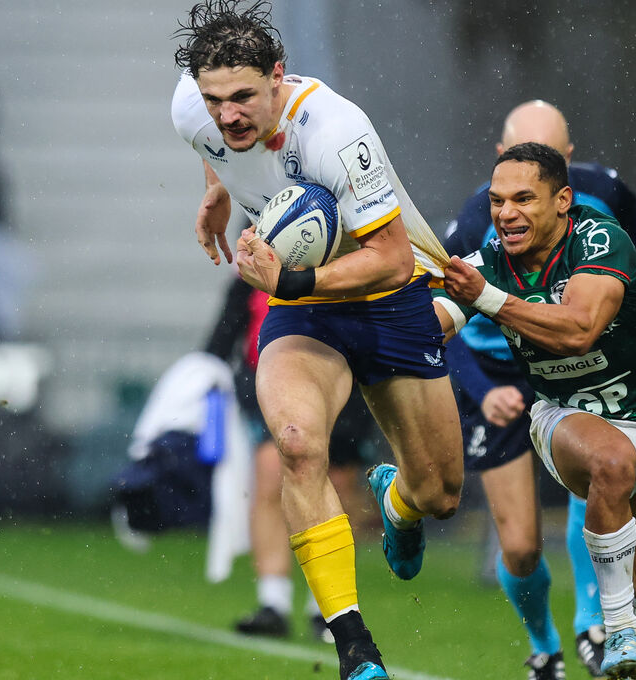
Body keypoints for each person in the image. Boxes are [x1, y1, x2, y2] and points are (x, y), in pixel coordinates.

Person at [171, 3, 463, 679]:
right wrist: (217, 190)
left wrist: (294, 280)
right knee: (298, 446)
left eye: (244, 97)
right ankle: (353, 645)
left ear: (279, 76)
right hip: (303, 309)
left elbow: (391, 258)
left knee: (440, 493)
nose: (230, 115)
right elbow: (213, 146)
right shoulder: (194, 109)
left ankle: (396, 501)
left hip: (389, 297)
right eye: (216, 100)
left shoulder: (335, 130)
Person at [435, 141, 636, 680]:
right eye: (497, 201)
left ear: (563, 200)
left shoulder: (600, 239)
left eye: (523, 199)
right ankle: (613, 630)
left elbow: (579, 331)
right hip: (563, 413)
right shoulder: (487, 262)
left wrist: (488, 298)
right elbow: (434, 322)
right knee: (610, 463)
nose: (506, 213)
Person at [205, 278, 378, 644]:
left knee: (339, 484)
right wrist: (204, 373)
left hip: (340, 375)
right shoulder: (250, 272)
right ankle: (273, 601)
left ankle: (328, 607)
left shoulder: (346, 258)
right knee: (270, 474)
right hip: (270, 378)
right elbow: (224, 333)